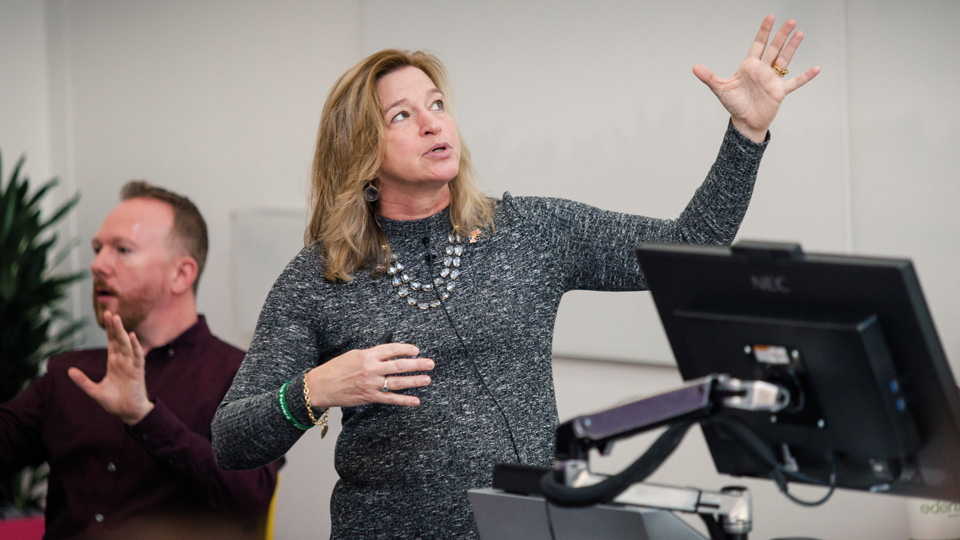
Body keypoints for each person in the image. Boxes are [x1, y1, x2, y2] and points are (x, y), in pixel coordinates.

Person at [211, 15, 820, 540]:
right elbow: (232, 441)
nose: (432, 122)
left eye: (437, 104)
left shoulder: (530, 230)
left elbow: (692, 247)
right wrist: (312, 390)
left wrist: (747, 133)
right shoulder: (318, 276)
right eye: (403, 114)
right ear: (361, 154)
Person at [0, 181, 282, 539]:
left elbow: (249, 495)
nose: (98, 265)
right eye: (98, 248)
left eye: (122, 250)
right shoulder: (70, 374)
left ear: (181, 274)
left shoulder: (241, 375)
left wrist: (144, 417)